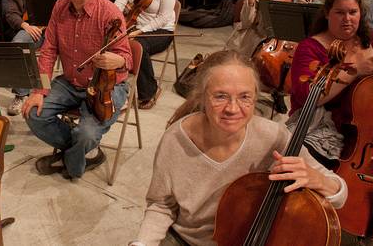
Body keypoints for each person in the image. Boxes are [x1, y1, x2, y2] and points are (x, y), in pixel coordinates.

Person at [132, 50, 347, 246]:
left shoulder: (274, 137)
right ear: (203, 96)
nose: (233, 109)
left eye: (245, 97)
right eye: (220, 96)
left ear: (255, 97)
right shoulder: (175, 140)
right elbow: (161, 205)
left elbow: (341, 193)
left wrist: (318, 180)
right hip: (186, 240)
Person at [22, 0, 133, 180]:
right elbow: (48, 51)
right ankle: (86, 151)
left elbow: (127, 59)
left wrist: (117, 61)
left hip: (105, 88)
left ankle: (73, 157)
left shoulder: (110, 13)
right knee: (33, 114)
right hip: (70, 83)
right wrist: (38, 91)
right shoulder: (60, 6)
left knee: (87, 132)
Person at [289, 0, 373, 169]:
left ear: (360, 14)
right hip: (326, 130)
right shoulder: (310, 48)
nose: (347, 19)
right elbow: (307, 97)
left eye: (353, 12)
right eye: (339, 12)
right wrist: (354, 72)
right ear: (327, 14)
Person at [114, 0, 176, 110]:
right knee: (110, 40)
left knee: (137, 46)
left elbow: (163, 18)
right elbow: (119, 3)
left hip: (160, 31)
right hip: (133, 26)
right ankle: (114, 88)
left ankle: (149, 91)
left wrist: (139, 31)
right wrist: (114, 19)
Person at [5, 0, 60, 115]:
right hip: (33, 30)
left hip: (57, 32)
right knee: (18, 44)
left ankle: (55, 98)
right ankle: (21, 94)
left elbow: (71, 9)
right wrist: (24, 25)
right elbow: (11, 11)